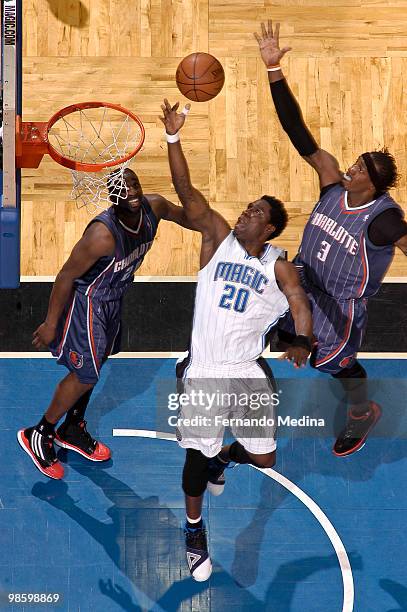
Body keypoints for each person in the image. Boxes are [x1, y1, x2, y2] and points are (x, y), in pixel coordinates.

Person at [160, 99, 313, 581]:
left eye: (256, 212)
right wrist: (172, 137)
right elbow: (187, 193)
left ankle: (225, 457)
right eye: (247, 207)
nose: (246, 213)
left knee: (265, 458)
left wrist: (303, 340)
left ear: (269, 229)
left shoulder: (277, 264)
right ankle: (193, 528)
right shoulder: (217, 238)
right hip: (205, 367)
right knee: (194, 454)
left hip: (246, 371)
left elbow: (299, 302)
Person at [254, 20, 407, 457]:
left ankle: (362, 411)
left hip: (337, 309)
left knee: (336, 367)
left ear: (371, 184)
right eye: (354, 163)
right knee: (268, 332)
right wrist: (273, 71)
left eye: (358, 169)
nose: (349, 169)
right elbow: (297, 132)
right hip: (298, 281)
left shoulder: (383, 220)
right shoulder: (331, 183)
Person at [18, 168, 191, 479]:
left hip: (114, 300)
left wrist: (216, 230)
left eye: (134, 183)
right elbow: (66, 276)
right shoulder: (102, 236)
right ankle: (40, 433)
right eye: (123, 189)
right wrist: (50, 323)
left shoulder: (155, 207)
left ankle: (72, 427)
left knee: (97, 364)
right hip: (88, 304)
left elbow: (189, 216)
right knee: (85, 375)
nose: (132, 192)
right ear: (113, 198)